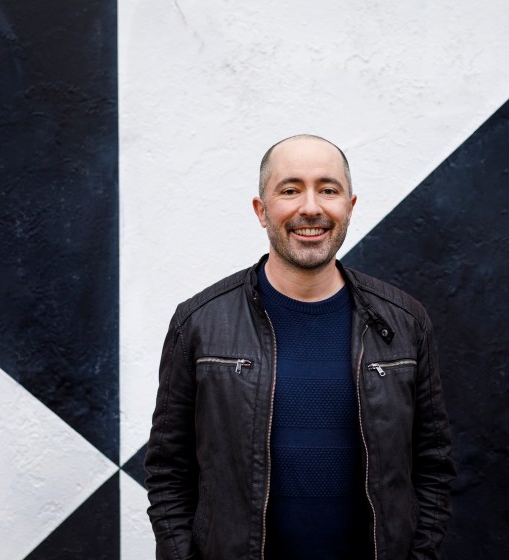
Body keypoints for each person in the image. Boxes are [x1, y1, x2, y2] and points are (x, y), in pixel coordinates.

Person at [145, 134, 455, 560]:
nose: (311, 207)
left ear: (350, 206)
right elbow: (167, 473)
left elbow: (433, 467)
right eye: (290, 190)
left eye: (328, 190)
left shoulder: (405, 322)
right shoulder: (199, 323)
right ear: (261, 210)